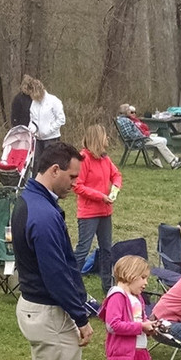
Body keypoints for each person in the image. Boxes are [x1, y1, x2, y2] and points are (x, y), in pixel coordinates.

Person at [11, 142, 97, 360]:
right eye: (72, 176)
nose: (75, 183)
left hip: (35, 308)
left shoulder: (32, 200)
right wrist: (80, 315)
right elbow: (57, 273)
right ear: (55, 170)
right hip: (50, 313)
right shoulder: (44, 215)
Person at [72, 125, 122, 295]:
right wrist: (100, 196)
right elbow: (77, 186)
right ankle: (72, 283)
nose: (108, 139)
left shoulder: (105, 159)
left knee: (106, 249)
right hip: (88, 213)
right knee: (83, 249)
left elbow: (117, 175)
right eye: (105, 136)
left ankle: (107, 286)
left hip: (105, 211)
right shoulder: (83, 159)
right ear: (98, 139)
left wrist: (115, 188)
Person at [115, 104, 181, 168]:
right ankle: (173, 162)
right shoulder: (125, 121)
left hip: (140, 139)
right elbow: (129, 134)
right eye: (129, 111)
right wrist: (142, 136)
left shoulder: (123, 120)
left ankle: (157, 159)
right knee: (160, 142)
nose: (130, 112)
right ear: (125, 111)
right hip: (138, 141)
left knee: (162, 140)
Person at [27, 79, 66, 154]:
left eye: (32, 93)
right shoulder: (34, 103)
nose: (31, 96)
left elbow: (61, 119)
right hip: (37, 139)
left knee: (50, 162)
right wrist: (31, 128)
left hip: (51, 139)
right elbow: (32, 119)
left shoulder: (54, 101)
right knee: (37, 163)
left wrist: (49, 129)